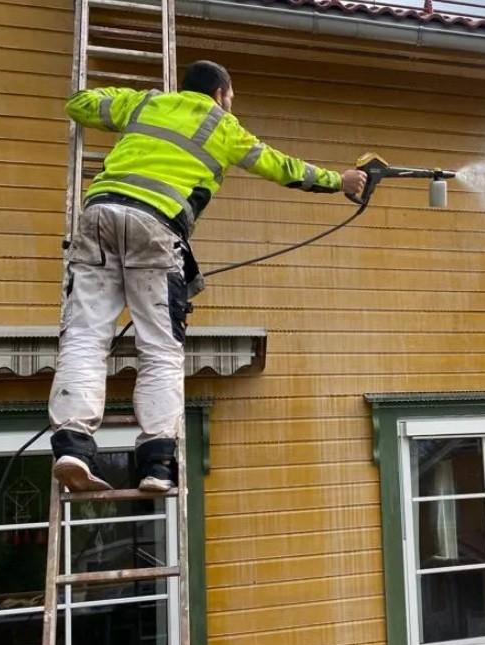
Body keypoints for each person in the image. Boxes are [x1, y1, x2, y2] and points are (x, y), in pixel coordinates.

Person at [48, 61, 366, 493]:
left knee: (85, 336)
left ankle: (72, 444)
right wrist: (341, 181)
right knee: (160, 348)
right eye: (231, 97)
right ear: (220, 93)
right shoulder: (225, 127)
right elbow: (284, 167)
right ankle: (157, 463)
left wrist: (131, 97)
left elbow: (80, 104)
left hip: (100, 215)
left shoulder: (146, 103)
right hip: (156, 229)